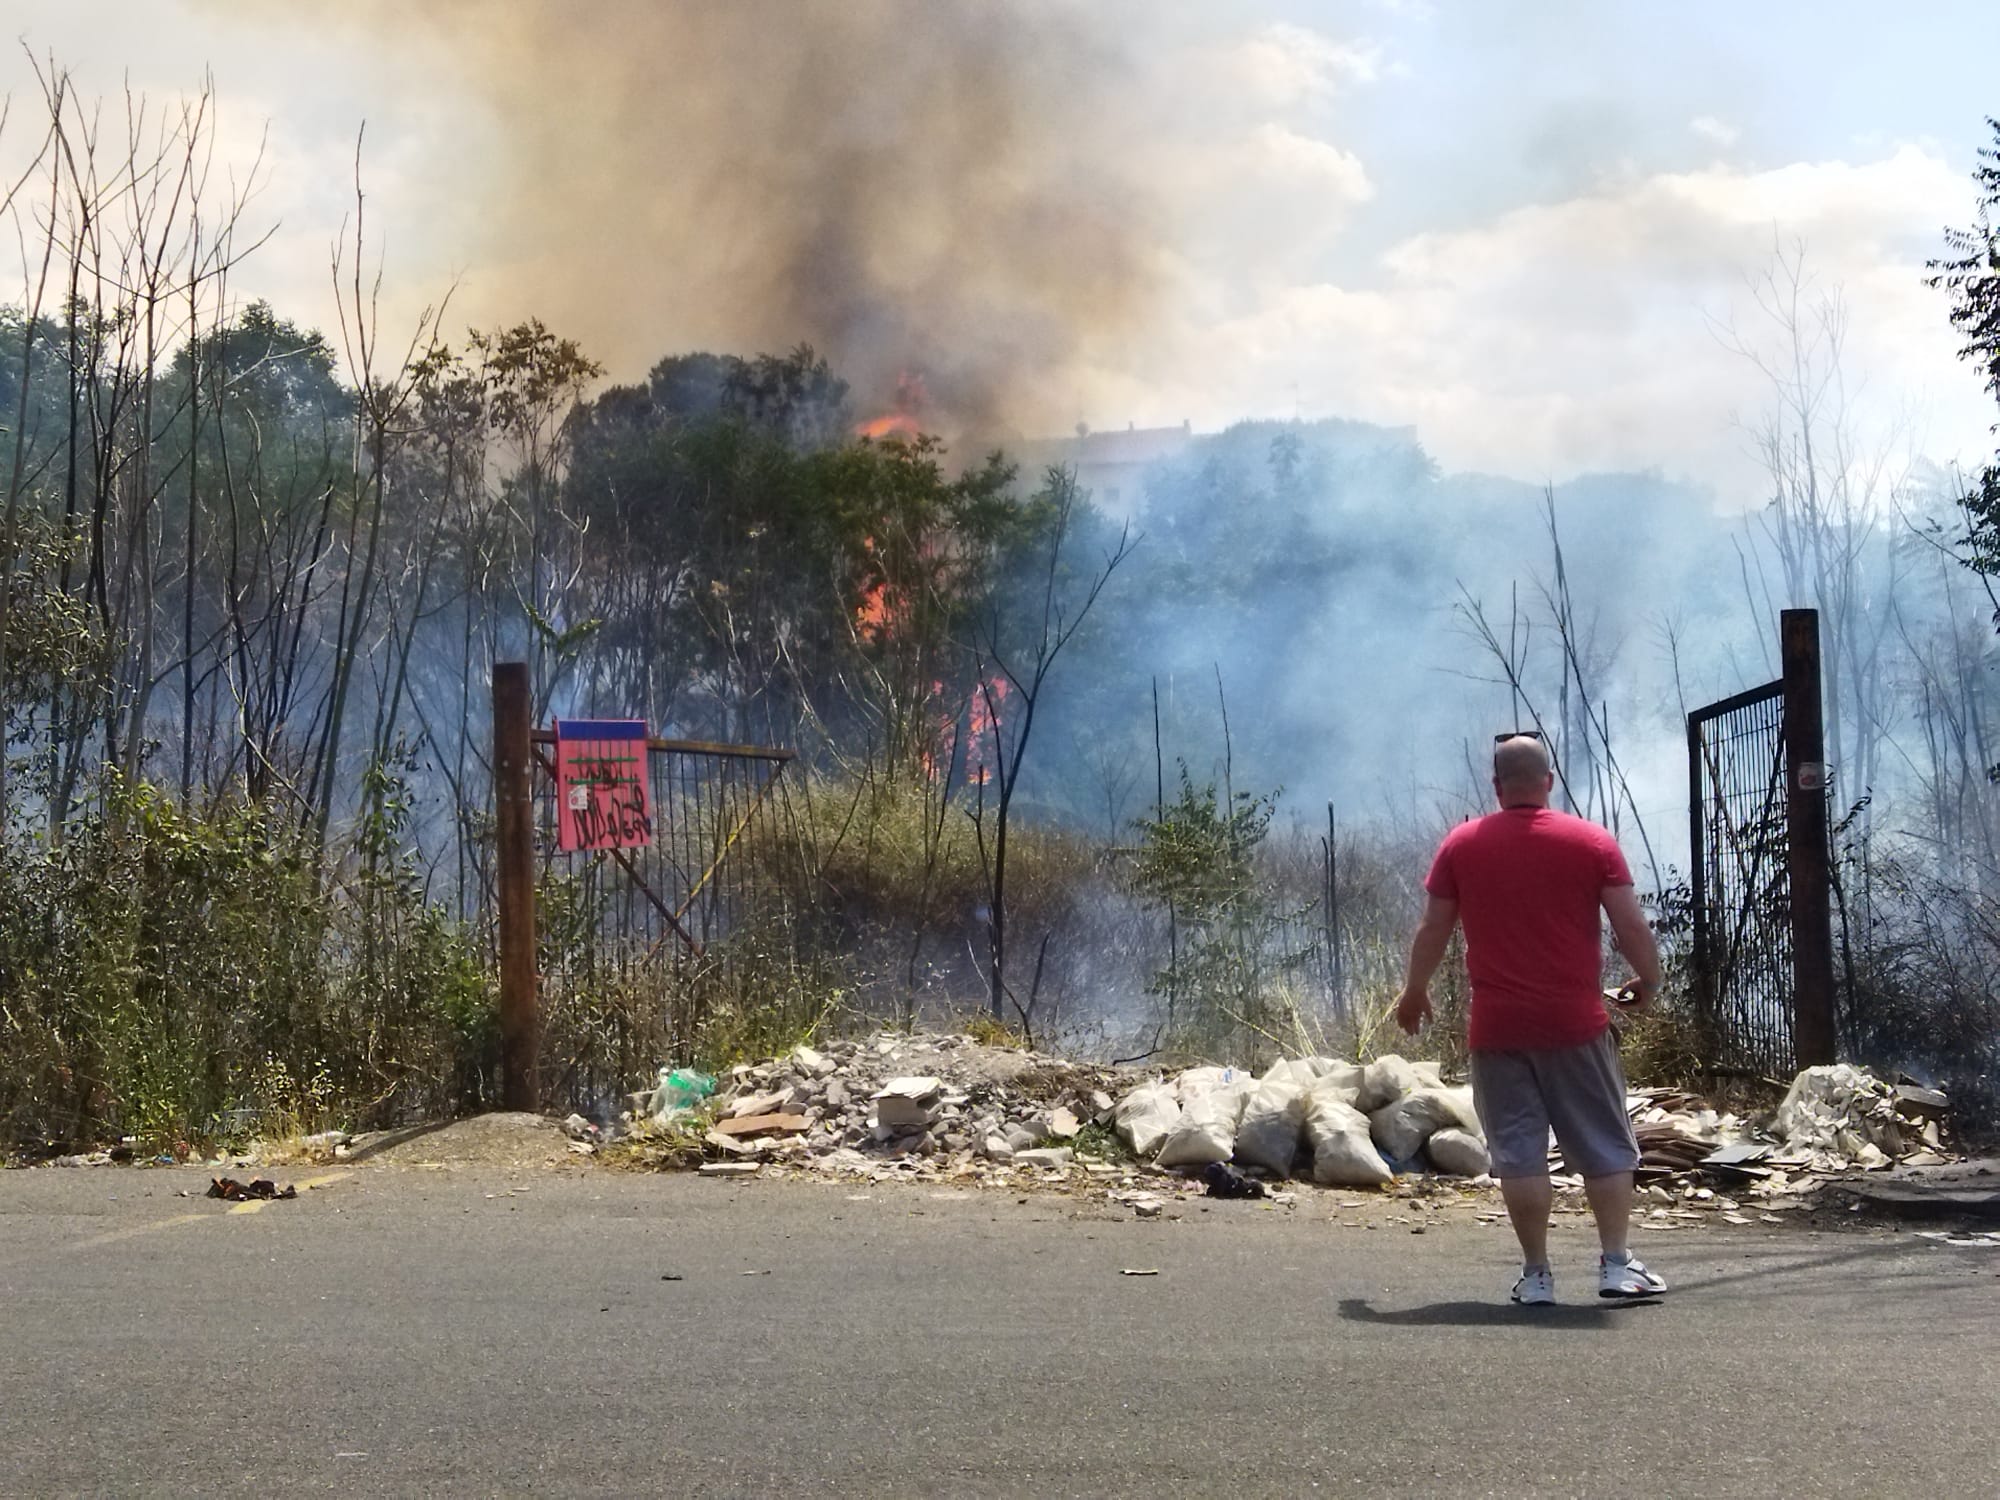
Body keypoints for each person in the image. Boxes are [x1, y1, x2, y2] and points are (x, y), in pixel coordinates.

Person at [1396, 733, 1667, 1305]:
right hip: (1576, 1024)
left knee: (1519, 1151)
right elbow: (1630, 926)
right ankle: (1616, 1265)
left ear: (1496, 788)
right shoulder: (1591, 842)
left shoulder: (1461, 846)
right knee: (1603, 1145)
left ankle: (1538, 1274)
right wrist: (1649, 979)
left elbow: (1433, 929)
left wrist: (1415, 990)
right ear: (1548, 781)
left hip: (1497, 1029)